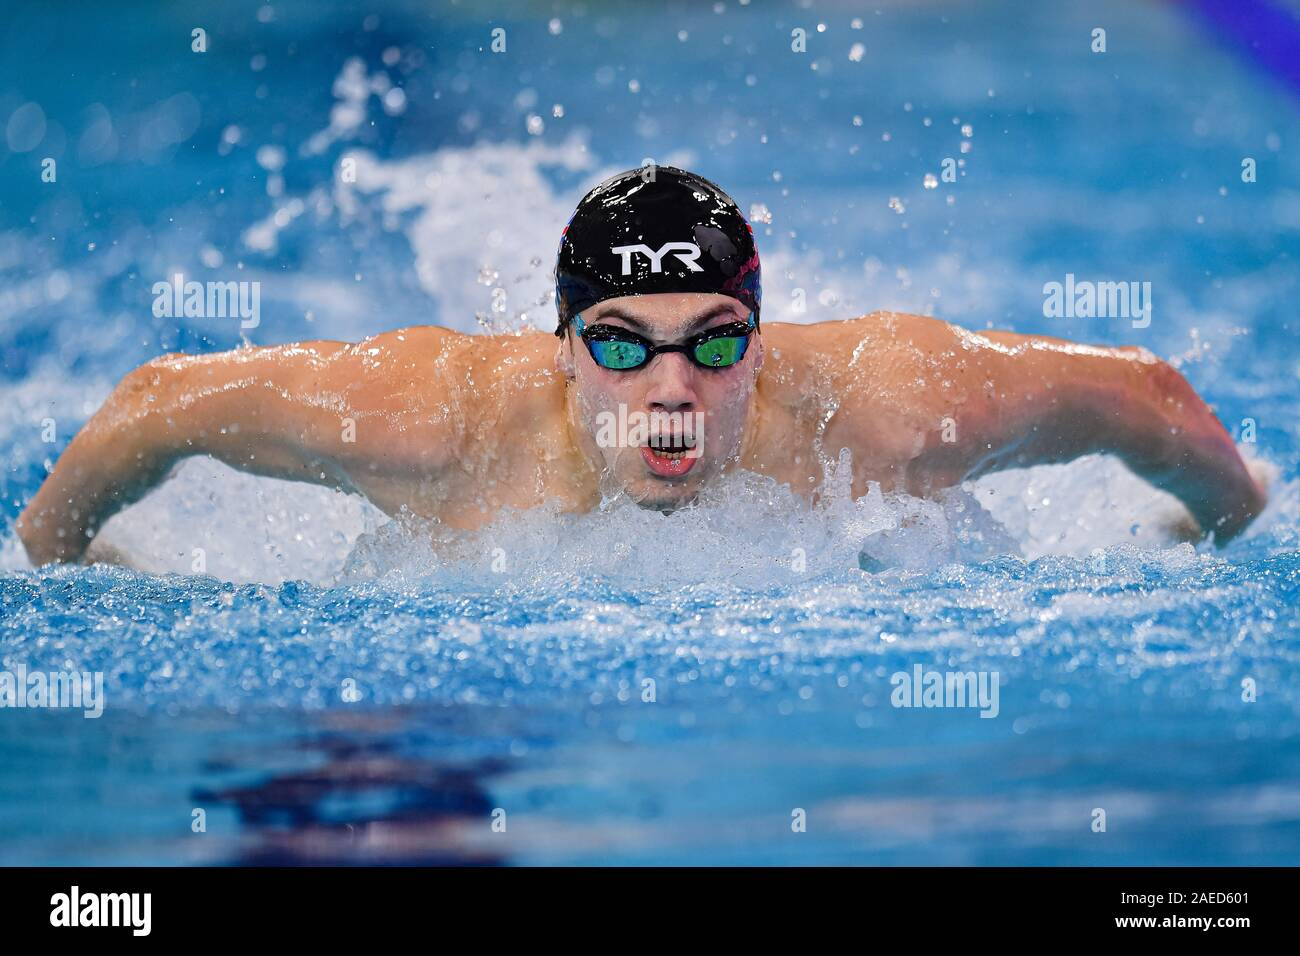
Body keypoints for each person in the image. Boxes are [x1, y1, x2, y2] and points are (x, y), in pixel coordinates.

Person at [17, 166, 1266, 567]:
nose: (671, 385)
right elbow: (154, 403)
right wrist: (69, 565)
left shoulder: (886, 413)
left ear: (759, 343)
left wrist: (1211, 535)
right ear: (563, 354)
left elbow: (1148, 398)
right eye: (621, 345)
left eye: (714, 342)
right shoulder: (438, 425)